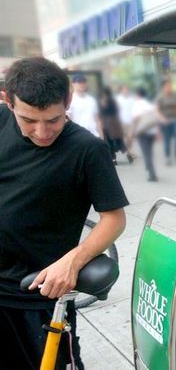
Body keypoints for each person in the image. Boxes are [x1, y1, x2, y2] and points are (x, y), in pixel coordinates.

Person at [0, 57, 128, 369]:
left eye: (54, 120)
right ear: (7, 101)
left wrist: (73, 260)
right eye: (29, 120)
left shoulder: (88, 149)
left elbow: (114, 218)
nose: (42, 132)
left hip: (40, 291)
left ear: (68, 100)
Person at [131, 87, 160, 182]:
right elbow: (155, 119)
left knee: (146, 153)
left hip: (142, 132)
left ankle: (152, 174)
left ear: (138, 95)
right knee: (149, 152)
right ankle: (149, 167)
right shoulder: (149, 105)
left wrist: (133, 131)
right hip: (151, 132)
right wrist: (157, 132)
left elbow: (135, 119)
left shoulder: (137, 105)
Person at [99, 86, 131, 165]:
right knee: (120, 140)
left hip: (106, 123)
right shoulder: (114, 101)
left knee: (109, 141)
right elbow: (118, 110)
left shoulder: (103, 101)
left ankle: (113, 160)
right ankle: (127, 153)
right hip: (115, 122)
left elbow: (101, 113)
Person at [156, 79, 176, 165]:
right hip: (165, 122)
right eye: (167, 86)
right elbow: (157, 110)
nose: (169, 87)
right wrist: (162, 119)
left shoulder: (174, 96)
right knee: (167, 140)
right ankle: (168, 157)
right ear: (163, 87)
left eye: (170, 86)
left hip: (175, 120)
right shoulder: (160, 97)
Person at [68, 73, 102, 138]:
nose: (82, 84)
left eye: (83, 82)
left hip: (94, 135)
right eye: (79, 82)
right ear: (73, 84)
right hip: (79, 137)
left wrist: (102, 137)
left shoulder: (92, 100)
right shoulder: (70, 99)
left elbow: (97, 120)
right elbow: (68, 121)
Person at [115, 85, 137, 160]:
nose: (126, 91)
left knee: (130, 137)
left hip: (130, 121)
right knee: (124, 137)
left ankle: (129, 151)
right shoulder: (118, 99)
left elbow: (135, 108)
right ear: (121, 91)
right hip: (121, 121)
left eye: (127, 89)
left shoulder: (132, 99)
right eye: (124, 90)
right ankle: (128, 151)